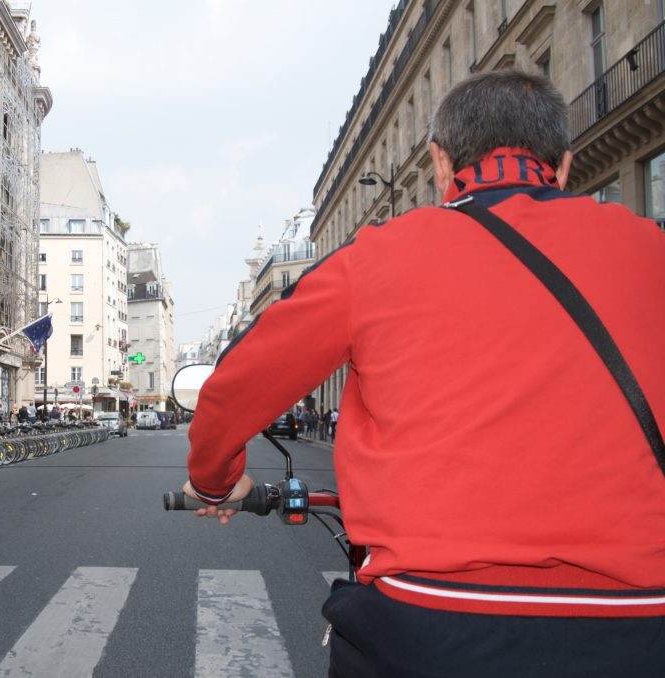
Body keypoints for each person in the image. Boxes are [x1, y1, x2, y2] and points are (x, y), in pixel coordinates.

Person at [181, 70, 665, 675]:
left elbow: (235, 385)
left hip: (435, 622)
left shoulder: (377, 256)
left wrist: (215, 480)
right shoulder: (652, 248)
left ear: (440, 165)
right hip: (642, 625)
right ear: (564, 167)